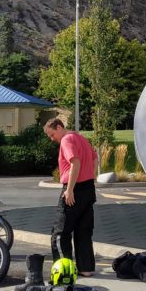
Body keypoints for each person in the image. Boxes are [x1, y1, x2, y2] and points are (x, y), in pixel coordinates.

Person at [44, 117, 96, 277]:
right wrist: (89, 179)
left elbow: (75, 163)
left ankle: (64, 271)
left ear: (59, 127)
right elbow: (94, 158)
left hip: (74, 189)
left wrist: (71, 189)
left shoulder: (67, 140)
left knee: (60, 232)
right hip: (88, 188)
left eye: (52, 135)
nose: (52, 139)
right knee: (83, 231)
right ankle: (86, 269)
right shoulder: (81, 138)